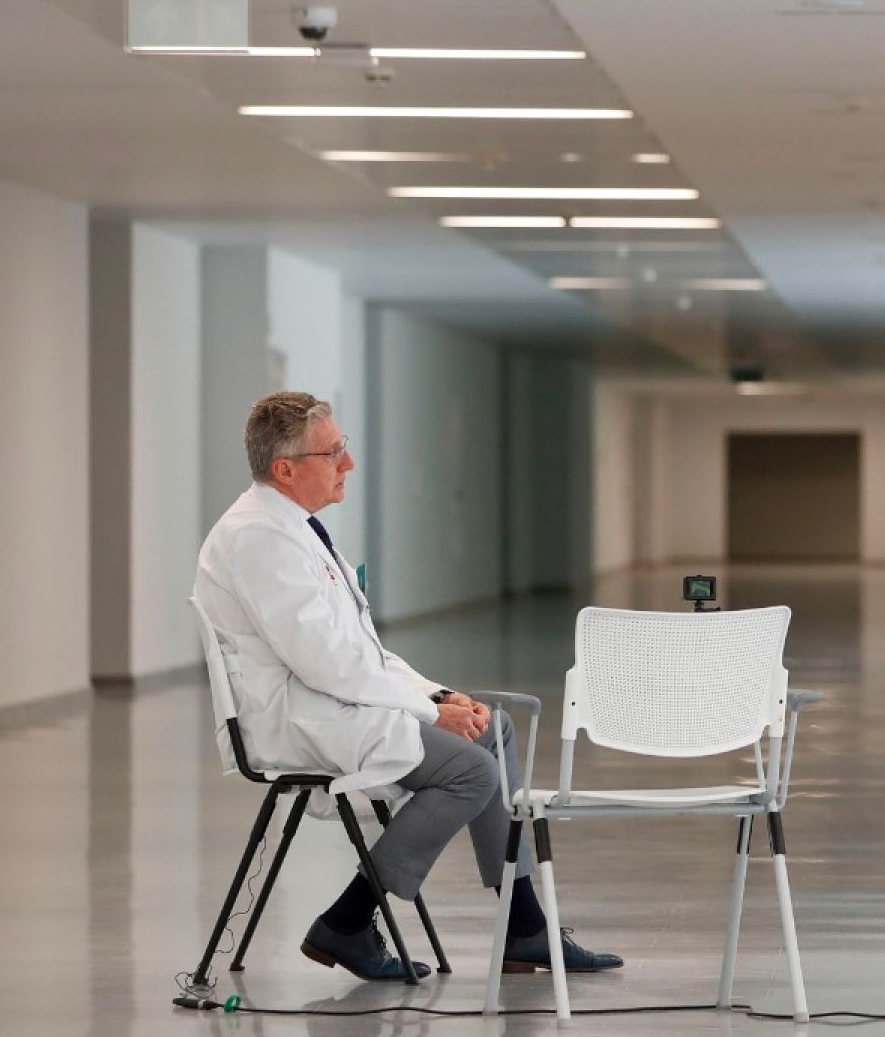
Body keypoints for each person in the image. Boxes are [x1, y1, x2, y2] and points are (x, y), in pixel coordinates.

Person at [194, 392, 622, 982]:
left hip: (331, 701)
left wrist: (440, 696)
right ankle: (348, 919)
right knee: (471, 770)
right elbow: (326, 664)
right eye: (334, 452)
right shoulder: (258, 537)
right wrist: (425, 711)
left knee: (490, 731)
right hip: (299, 718)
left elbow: (362, 649)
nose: (349, 463)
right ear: (285, 469)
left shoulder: (297, 529)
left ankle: (525, 929)